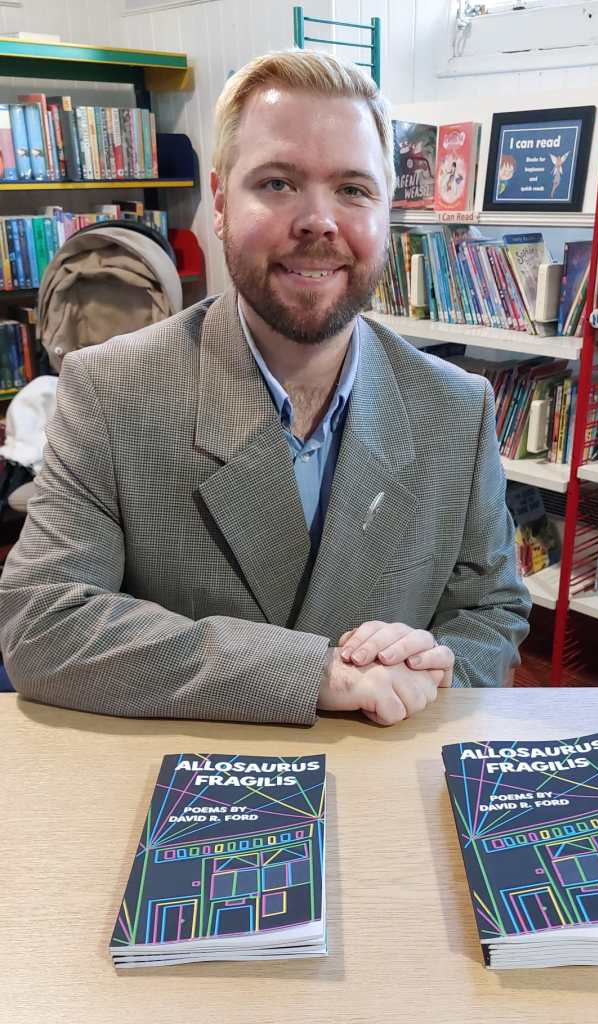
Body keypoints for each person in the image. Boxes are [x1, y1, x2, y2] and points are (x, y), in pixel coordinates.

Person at [0, 50, 530, 727]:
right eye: (278, 183)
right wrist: (311, 674)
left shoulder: (456, 408)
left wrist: (438, 668)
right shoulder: (110, 389)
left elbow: (491, 610)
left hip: (385, 770)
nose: (318, 221)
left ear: (387, 211)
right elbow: (43, 623)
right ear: (221, 203)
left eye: (353, 189)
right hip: (188, 777)